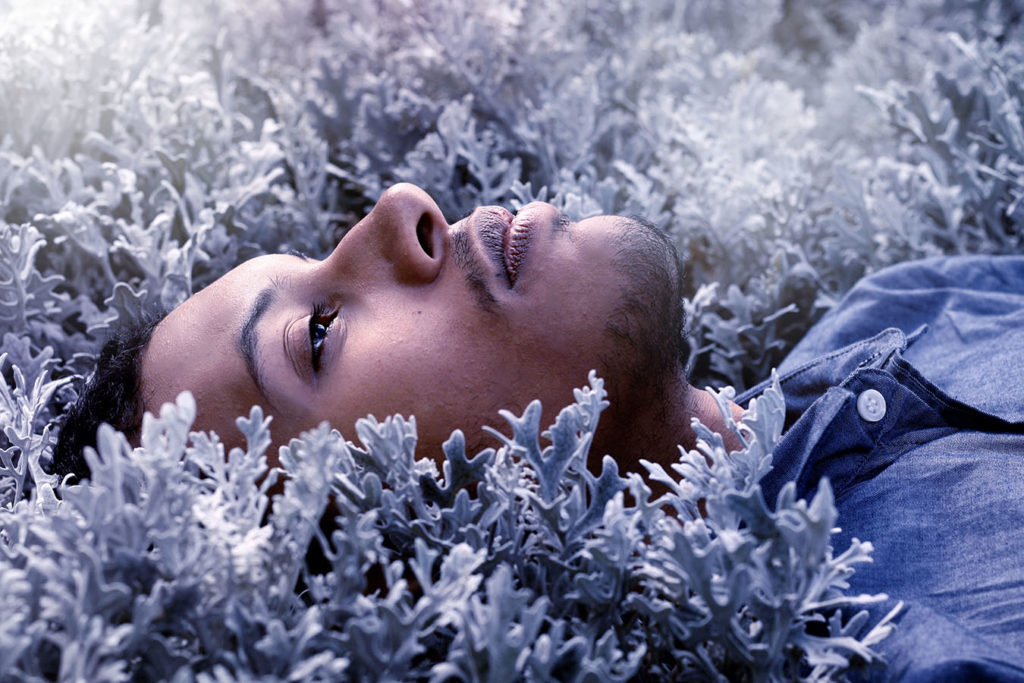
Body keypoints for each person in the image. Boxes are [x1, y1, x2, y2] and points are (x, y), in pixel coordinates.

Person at [53, 183, 1024, 679]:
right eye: (318, 332)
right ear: (386, 580)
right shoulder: (922, 654)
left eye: (316, 256)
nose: (399, 209)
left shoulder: (893, 303)